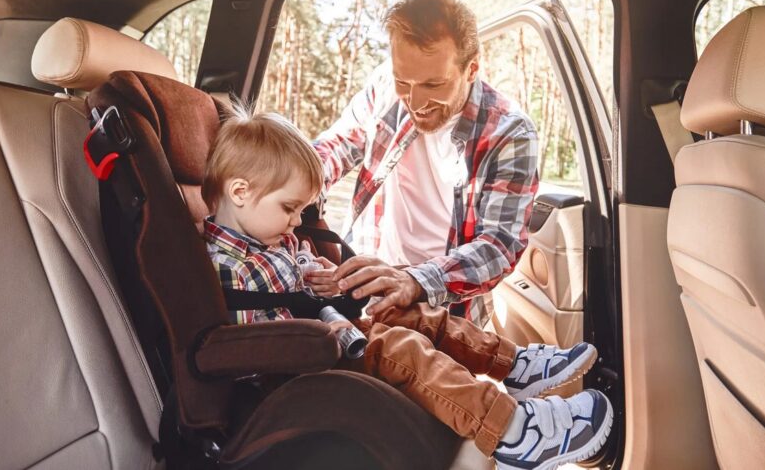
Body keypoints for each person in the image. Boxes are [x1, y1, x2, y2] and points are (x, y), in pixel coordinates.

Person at [200, 109, 613, 469]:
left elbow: (293, 273)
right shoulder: (231, 267)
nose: (295, 222)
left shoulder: (267, 237)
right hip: (301, 362)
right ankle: (513, 432)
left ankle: (513, 365)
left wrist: (321, 275)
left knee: (417, 317)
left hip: (331, 330)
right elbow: (263, 339)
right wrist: (325, 317)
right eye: (289, 209)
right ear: (240, 192)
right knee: (404, 349)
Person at [308, 0, 538, 329]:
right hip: (364, 289)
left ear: (471, 68)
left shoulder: (511, 132)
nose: (415, 101)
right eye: (404, 80)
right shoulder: (384, 87)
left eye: (434, 83)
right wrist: (298, 185)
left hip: (447, 310)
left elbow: (499, 246)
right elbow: (336, 146)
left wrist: (415, 281)